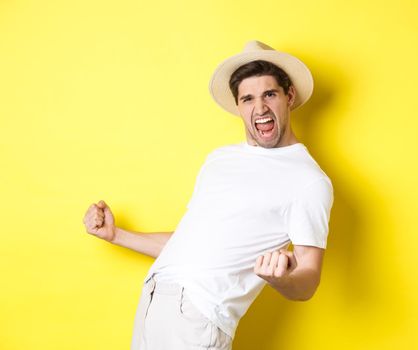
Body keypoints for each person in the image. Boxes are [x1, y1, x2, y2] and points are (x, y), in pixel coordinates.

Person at [83, 40, 334, 350]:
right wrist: (116, 235)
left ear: (289, 96)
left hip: (199, 319)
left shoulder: (308, 179)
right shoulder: (219, 159)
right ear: (238, 106)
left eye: (269, 94)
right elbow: (190, 242)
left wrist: (279, 279)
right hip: (153, 304)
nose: (260, 108)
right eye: (248, 98)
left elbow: (309, 277)